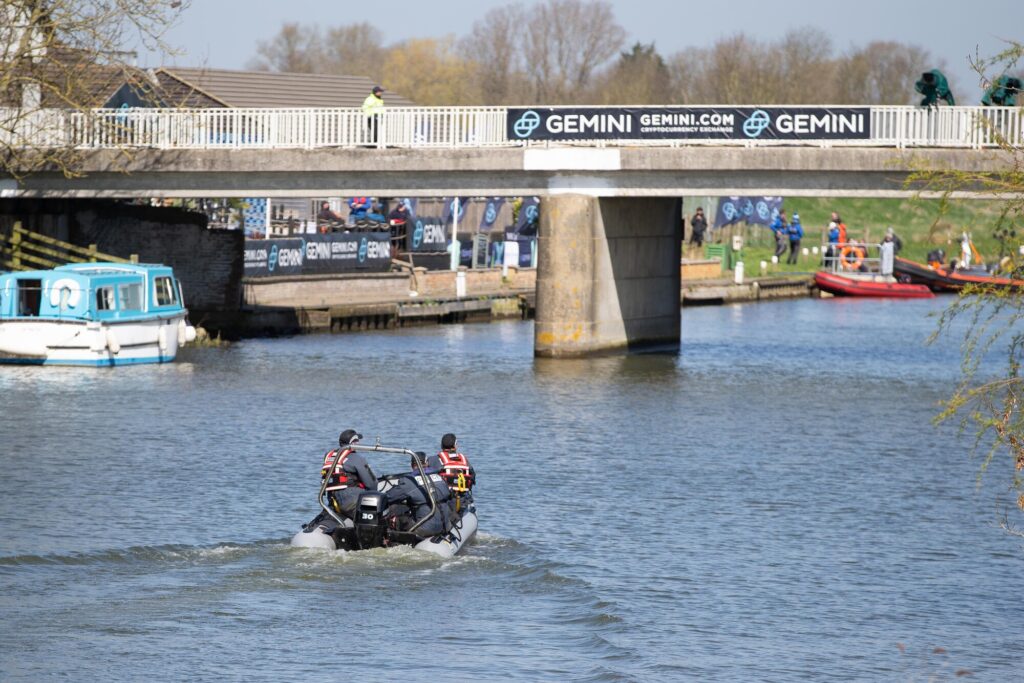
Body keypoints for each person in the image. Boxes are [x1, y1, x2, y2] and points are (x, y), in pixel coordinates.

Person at [385, 453, 453, 538]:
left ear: (412, 465)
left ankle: (387, 540)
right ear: (427, 463)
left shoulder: (409, 481)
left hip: (425, 529)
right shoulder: (440, 477)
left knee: (395, 516)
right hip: (445, 526)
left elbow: (389, 497)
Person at [321, 429, 378, 520]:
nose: (359, 443)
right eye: (357, 441)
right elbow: (372, 485)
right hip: (350, 501)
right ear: (353, 443)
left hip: (332, 499)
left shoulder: (329, 455)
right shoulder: (357, 459)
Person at [435, 433, 475, 497]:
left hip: (443, 497)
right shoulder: (464, 460)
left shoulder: (434, 459)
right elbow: (473, 477)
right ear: (455, 446)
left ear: (441, 446)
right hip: (463, 497)